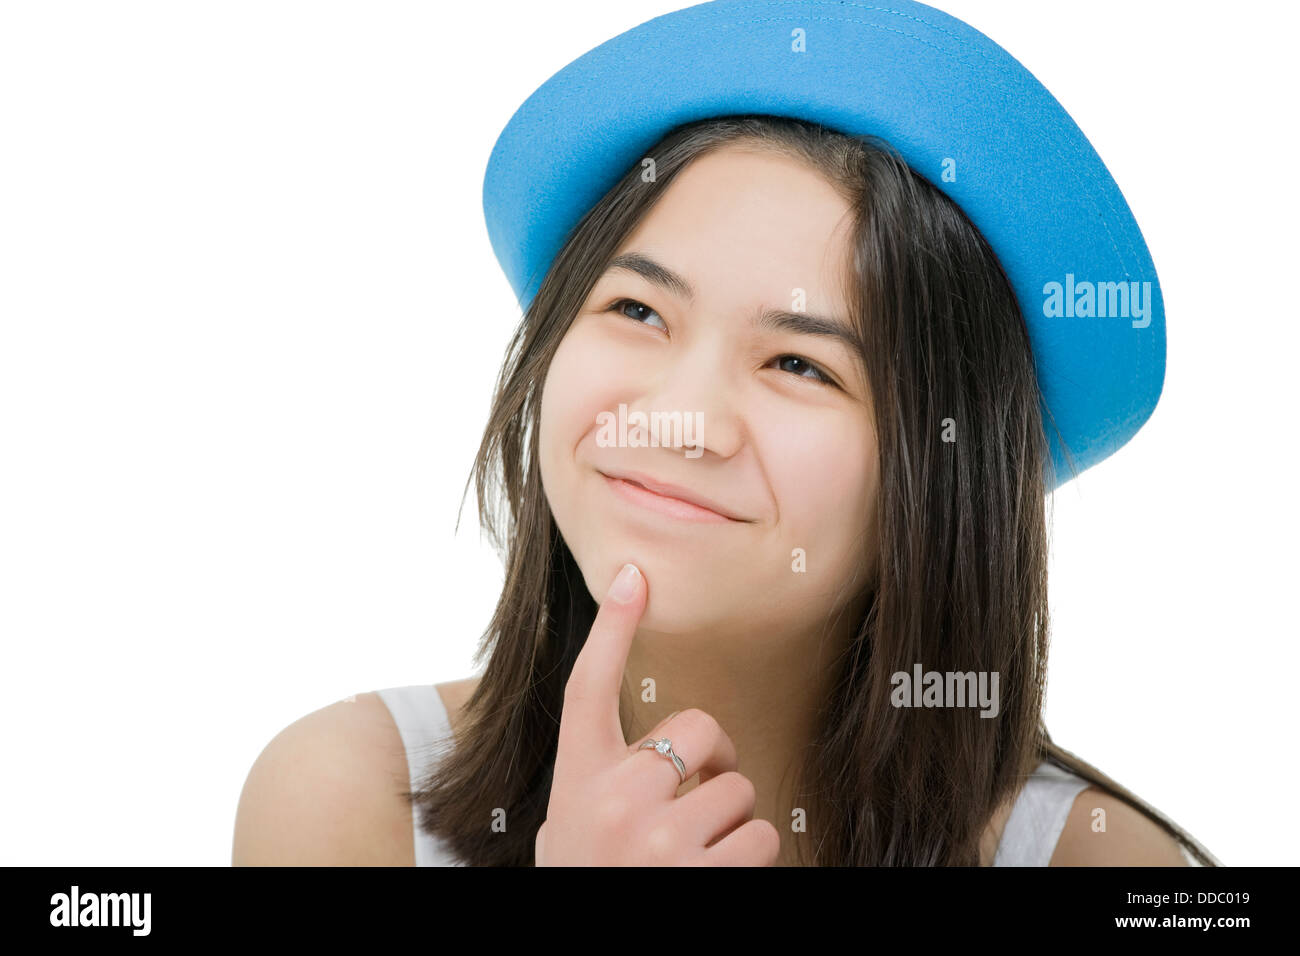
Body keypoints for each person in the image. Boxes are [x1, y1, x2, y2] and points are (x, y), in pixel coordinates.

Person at [232, 2, 1219, 867]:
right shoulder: (347, 799)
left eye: (800, 364)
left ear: (938, 474)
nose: (682, 418)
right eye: (636, 311)